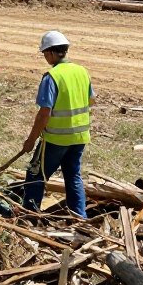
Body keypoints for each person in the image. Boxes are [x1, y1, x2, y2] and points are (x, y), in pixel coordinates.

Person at [21, 30, 94, 219]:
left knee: (35, 176)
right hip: (79, 138)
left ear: (52, 53)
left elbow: (44, 113)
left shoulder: (51, 77)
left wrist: (31, 140)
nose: (45, 57)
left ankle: (29, 217)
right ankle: (80, 218)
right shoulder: (81, 71)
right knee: (73, 177)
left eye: (45, 53)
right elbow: (91, 100)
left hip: (56, 139)